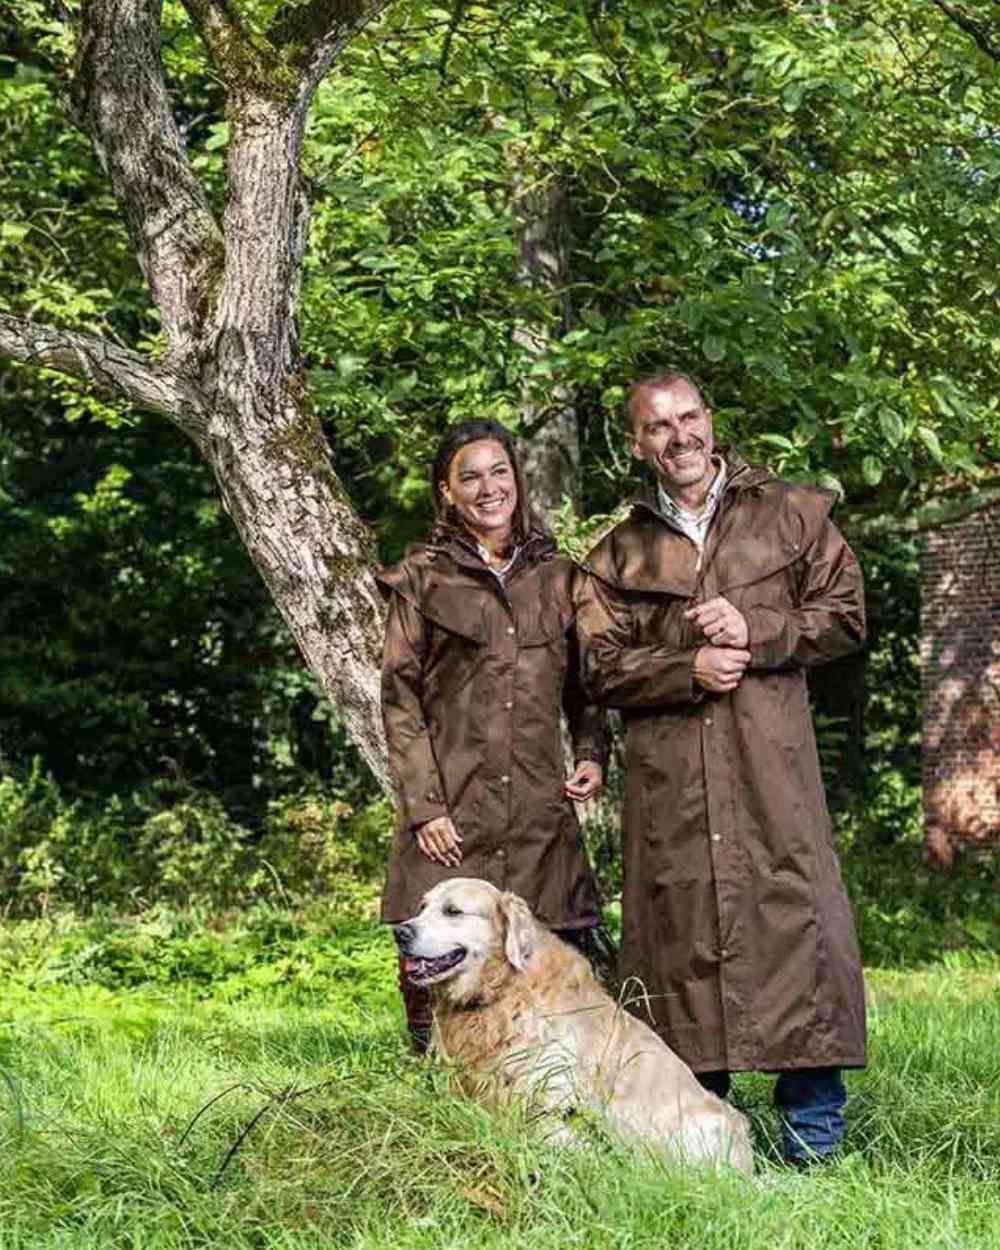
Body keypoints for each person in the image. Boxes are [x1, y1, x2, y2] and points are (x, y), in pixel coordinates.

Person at [575, 371, 867, 1166]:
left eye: (689, 416)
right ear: (638, 445)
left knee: (796, 927)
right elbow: (597, 668)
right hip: (675, 789)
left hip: (772, 773)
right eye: (658, 426)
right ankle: (702, 1150)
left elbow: (844, 615)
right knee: (681, 942)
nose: (679, 436)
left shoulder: (791, 513)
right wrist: (685, 666)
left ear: (711, 418)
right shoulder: (616, 555)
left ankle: (815, 1150)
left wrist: (756, 627)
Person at [377, 418, 608, 1052]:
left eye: (499, 471)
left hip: (538, 810)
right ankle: (438, 1091)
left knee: (547, 966)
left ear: (518, 479)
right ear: (446, 491)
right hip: (452, 813)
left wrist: (591, 753)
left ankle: (547, 1100)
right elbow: (399, 700)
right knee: (433, 960)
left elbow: (586, 686)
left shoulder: (559, 576)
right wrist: (425, 807)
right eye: (469, 476)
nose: (488, 488)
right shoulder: (422, 578)